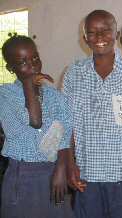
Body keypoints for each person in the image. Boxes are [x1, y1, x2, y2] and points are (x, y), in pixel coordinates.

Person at [63, 10, 122, 218]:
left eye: (106, 31)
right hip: (87, 172)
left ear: (117, 33)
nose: (99, 37)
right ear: (85, 38)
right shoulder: (74, 72)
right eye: (92, 32)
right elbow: (66, 122)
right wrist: (70, 164)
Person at [0, 35, 73, 218]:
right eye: (23, 62)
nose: (32, 64)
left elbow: (64, 135)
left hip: (53, 172)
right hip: (22, 174)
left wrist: (61, 169)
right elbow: (35, 121)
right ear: (11, 68)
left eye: (35, 58)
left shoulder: (56, 96)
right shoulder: (5, 94)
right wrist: (28, 84)